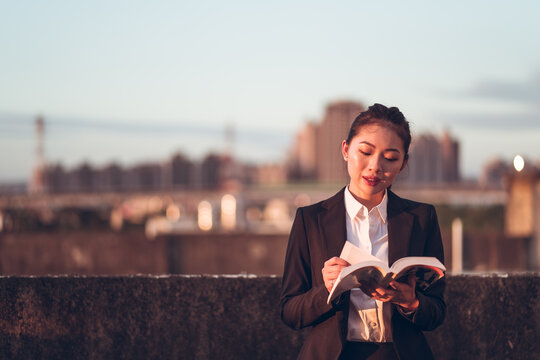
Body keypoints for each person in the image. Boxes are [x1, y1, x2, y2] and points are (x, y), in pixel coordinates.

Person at [280, 103, 445, 360]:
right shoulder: (310, 219)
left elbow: (436, 311)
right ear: (346, 150)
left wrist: (411, 302)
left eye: (390, 158)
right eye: (365, 152)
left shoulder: (421, 219)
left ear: (403, 164)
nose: (375, 166)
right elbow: (290, 311)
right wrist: (328, 289)